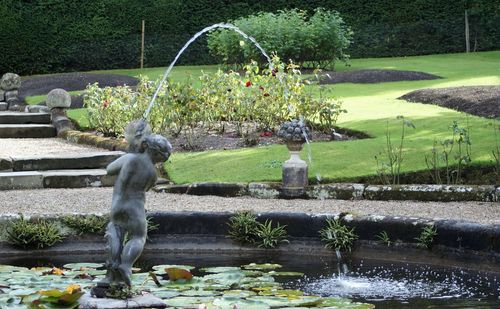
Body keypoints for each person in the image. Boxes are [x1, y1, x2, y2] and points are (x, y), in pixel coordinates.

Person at [99, 132, 172, 287]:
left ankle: (112, 274)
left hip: (118, 205)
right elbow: (146, 188)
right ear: (160, 156)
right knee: (138, 236)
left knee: (116, 234)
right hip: (135, 207)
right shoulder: (153, 174)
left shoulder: (129, 158)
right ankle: (126, 265)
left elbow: (110, 169)